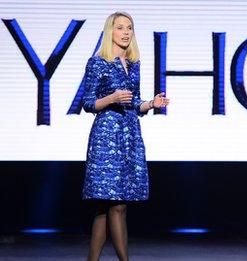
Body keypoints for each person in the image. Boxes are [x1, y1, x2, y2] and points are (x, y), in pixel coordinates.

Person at [81, 11, 169, 261]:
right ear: (111, 31)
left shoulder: (133, 64)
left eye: (129, 27)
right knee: (115, 204)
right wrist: (111, 98)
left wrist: (151, 103)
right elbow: (88, 102)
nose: (126, 32)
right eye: (120, 28)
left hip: (129, 135)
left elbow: (134, 102)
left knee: (108, 206)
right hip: (107, 137)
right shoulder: (98, 62)